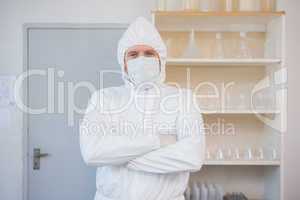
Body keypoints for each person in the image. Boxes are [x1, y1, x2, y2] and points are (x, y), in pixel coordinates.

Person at [79, 16, 205, 200]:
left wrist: (120, 157)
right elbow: (92, 152)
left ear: (161, 59)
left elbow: (193, 156)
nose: (142, 59)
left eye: (148, 53)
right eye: (133, 54)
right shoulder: (103, 98)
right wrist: (158, 141)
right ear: (123, 62)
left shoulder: (183, 98)